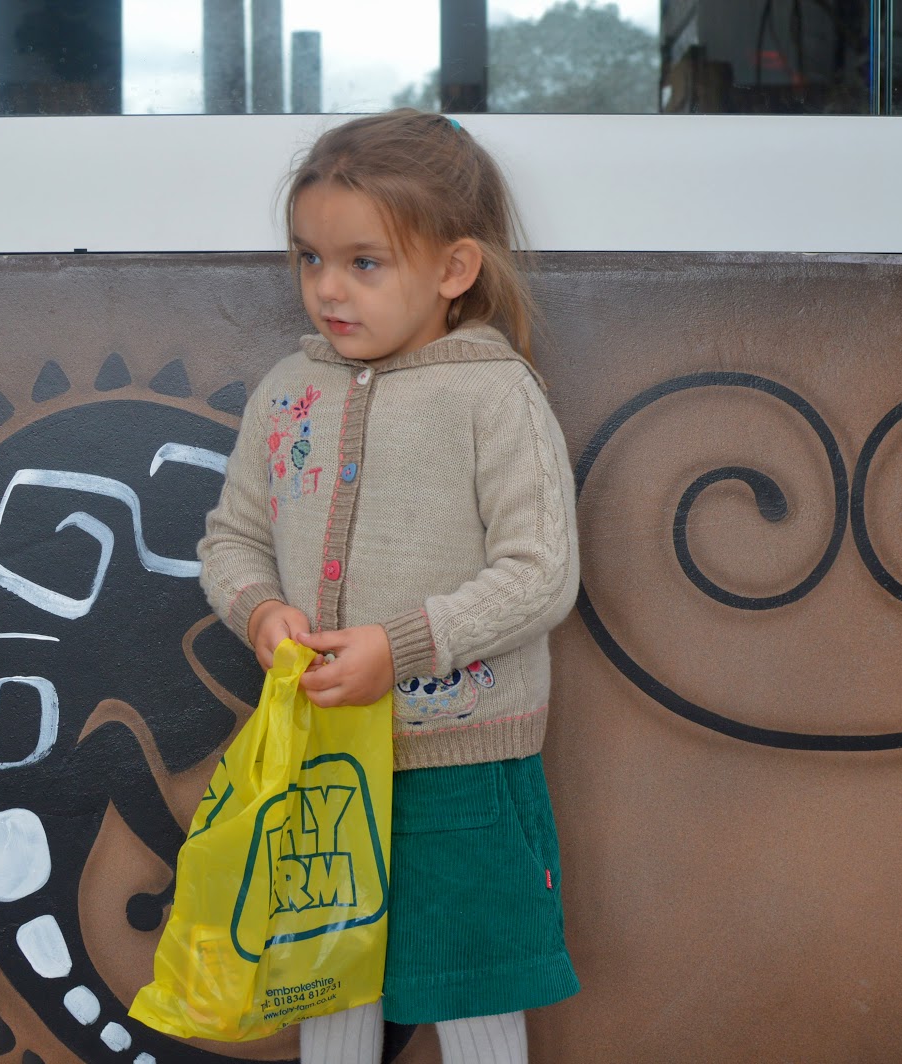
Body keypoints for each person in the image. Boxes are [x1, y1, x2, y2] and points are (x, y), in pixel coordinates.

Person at [197, 108, 580, 1064]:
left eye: (364, 263)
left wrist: (399, 647)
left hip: (463, 767)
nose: (328, 288)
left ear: (455, 269)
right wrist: (260, 612)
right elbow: (232, 537)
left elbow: (541, 573)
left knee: (471, 990)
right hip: (322, 762)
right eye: (310, 258)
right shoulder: (288, 390)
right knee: (329, 988)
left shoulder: (494, 396)